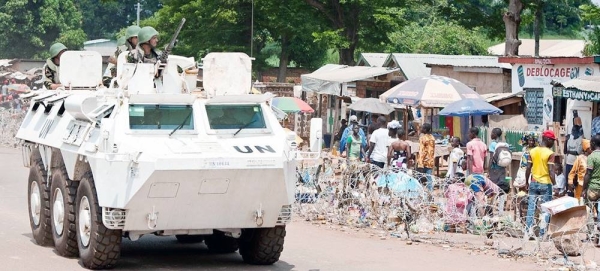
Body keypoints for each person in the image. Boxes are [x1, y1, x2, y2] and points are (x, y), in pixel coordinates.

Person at [525, 130, 557, 238]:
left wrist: (526, 182)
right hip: (546, 184)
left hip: (533, 183)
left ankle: (528, 231)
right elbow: (551, 171)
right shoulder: (550, 153)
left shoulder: (532, 151)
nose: (553, 143)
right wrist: (555, 185)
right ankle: (542, 234)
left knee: (531, 208)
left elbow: (528, 168)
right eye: (552, 141)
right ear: (547, 139)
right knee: (545, 209)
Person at [584, 135, 600, 221]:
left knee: (589, 210)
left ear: (593, 143)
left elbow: (588, 174)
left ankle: (590, 232)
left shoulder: (591, 157)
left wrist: (583, 189)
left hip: (592, 188)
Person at [488, 128, 509, 193]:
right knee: (502, 186)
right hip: (503, 168)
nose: (491, 134)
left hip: (494, 169)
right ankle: (501, 201)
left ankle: (495, 201)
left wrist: (489, 169)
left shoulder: (493, 144)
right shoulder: (505, 144)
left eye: (492, 133)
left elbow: (491, 158)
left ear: (494, 134)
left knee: (494, 186)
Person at [565, 113, 584, 179]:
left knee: (573, 180)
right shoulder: (570, 139)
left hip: (575, 163)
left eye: (574, 131)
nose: (573, 132)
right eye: (572, 130)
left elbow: (577, 152)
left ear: (578, 131)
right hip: (568, 162)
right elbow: (566, 151)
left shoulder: (580, 140)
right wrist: (565, 141)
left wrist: (569, 152)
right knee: (567, 179)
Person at [416, 123, 435, 190]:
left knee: (419, 178)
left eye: (422, 128)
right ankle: (430, 192)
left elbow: (421, 151)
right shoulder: (432, 137)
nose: (421, 129)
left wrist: (420, 163)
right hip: (430, 160)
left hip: (423, 161)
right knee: (429, 178)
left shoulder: (423, 138)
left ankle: (418, 191)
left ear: (425, 129)